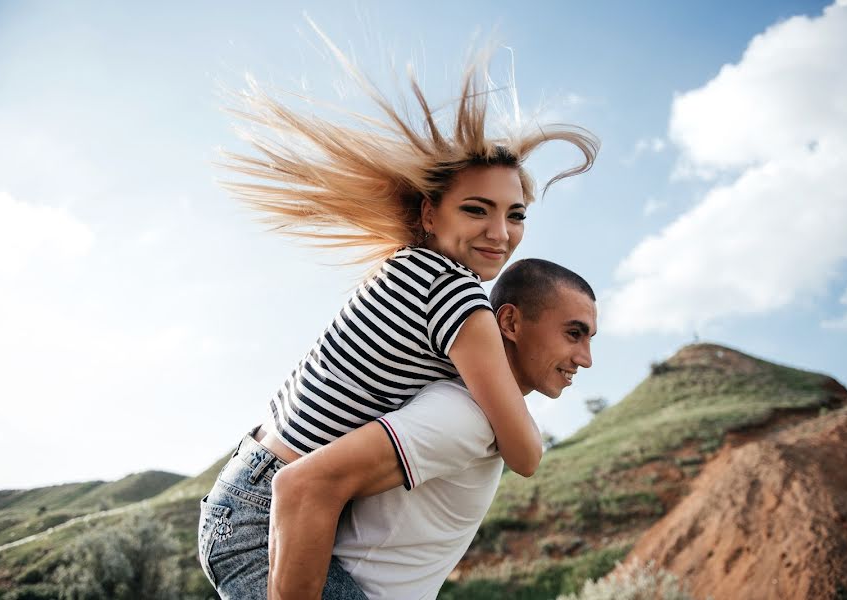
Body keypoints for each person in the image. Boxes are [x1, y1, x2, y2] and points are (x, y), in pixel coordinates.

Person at [198, 29, 598, 599]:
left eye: (516, 215)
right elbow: (526, 453)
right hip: (267, 514)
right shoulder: (458, 298)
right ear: (430, 215)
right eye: (477, 210)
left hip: (251, 486)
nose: (500, 232)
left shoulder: (404, 268)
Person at [269, 259, 598, 599]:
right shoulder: (465, 415)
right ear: (511, 322)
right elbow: (300, 486)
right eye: (574, 334)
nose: (586, 358)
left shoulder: (488, 415)